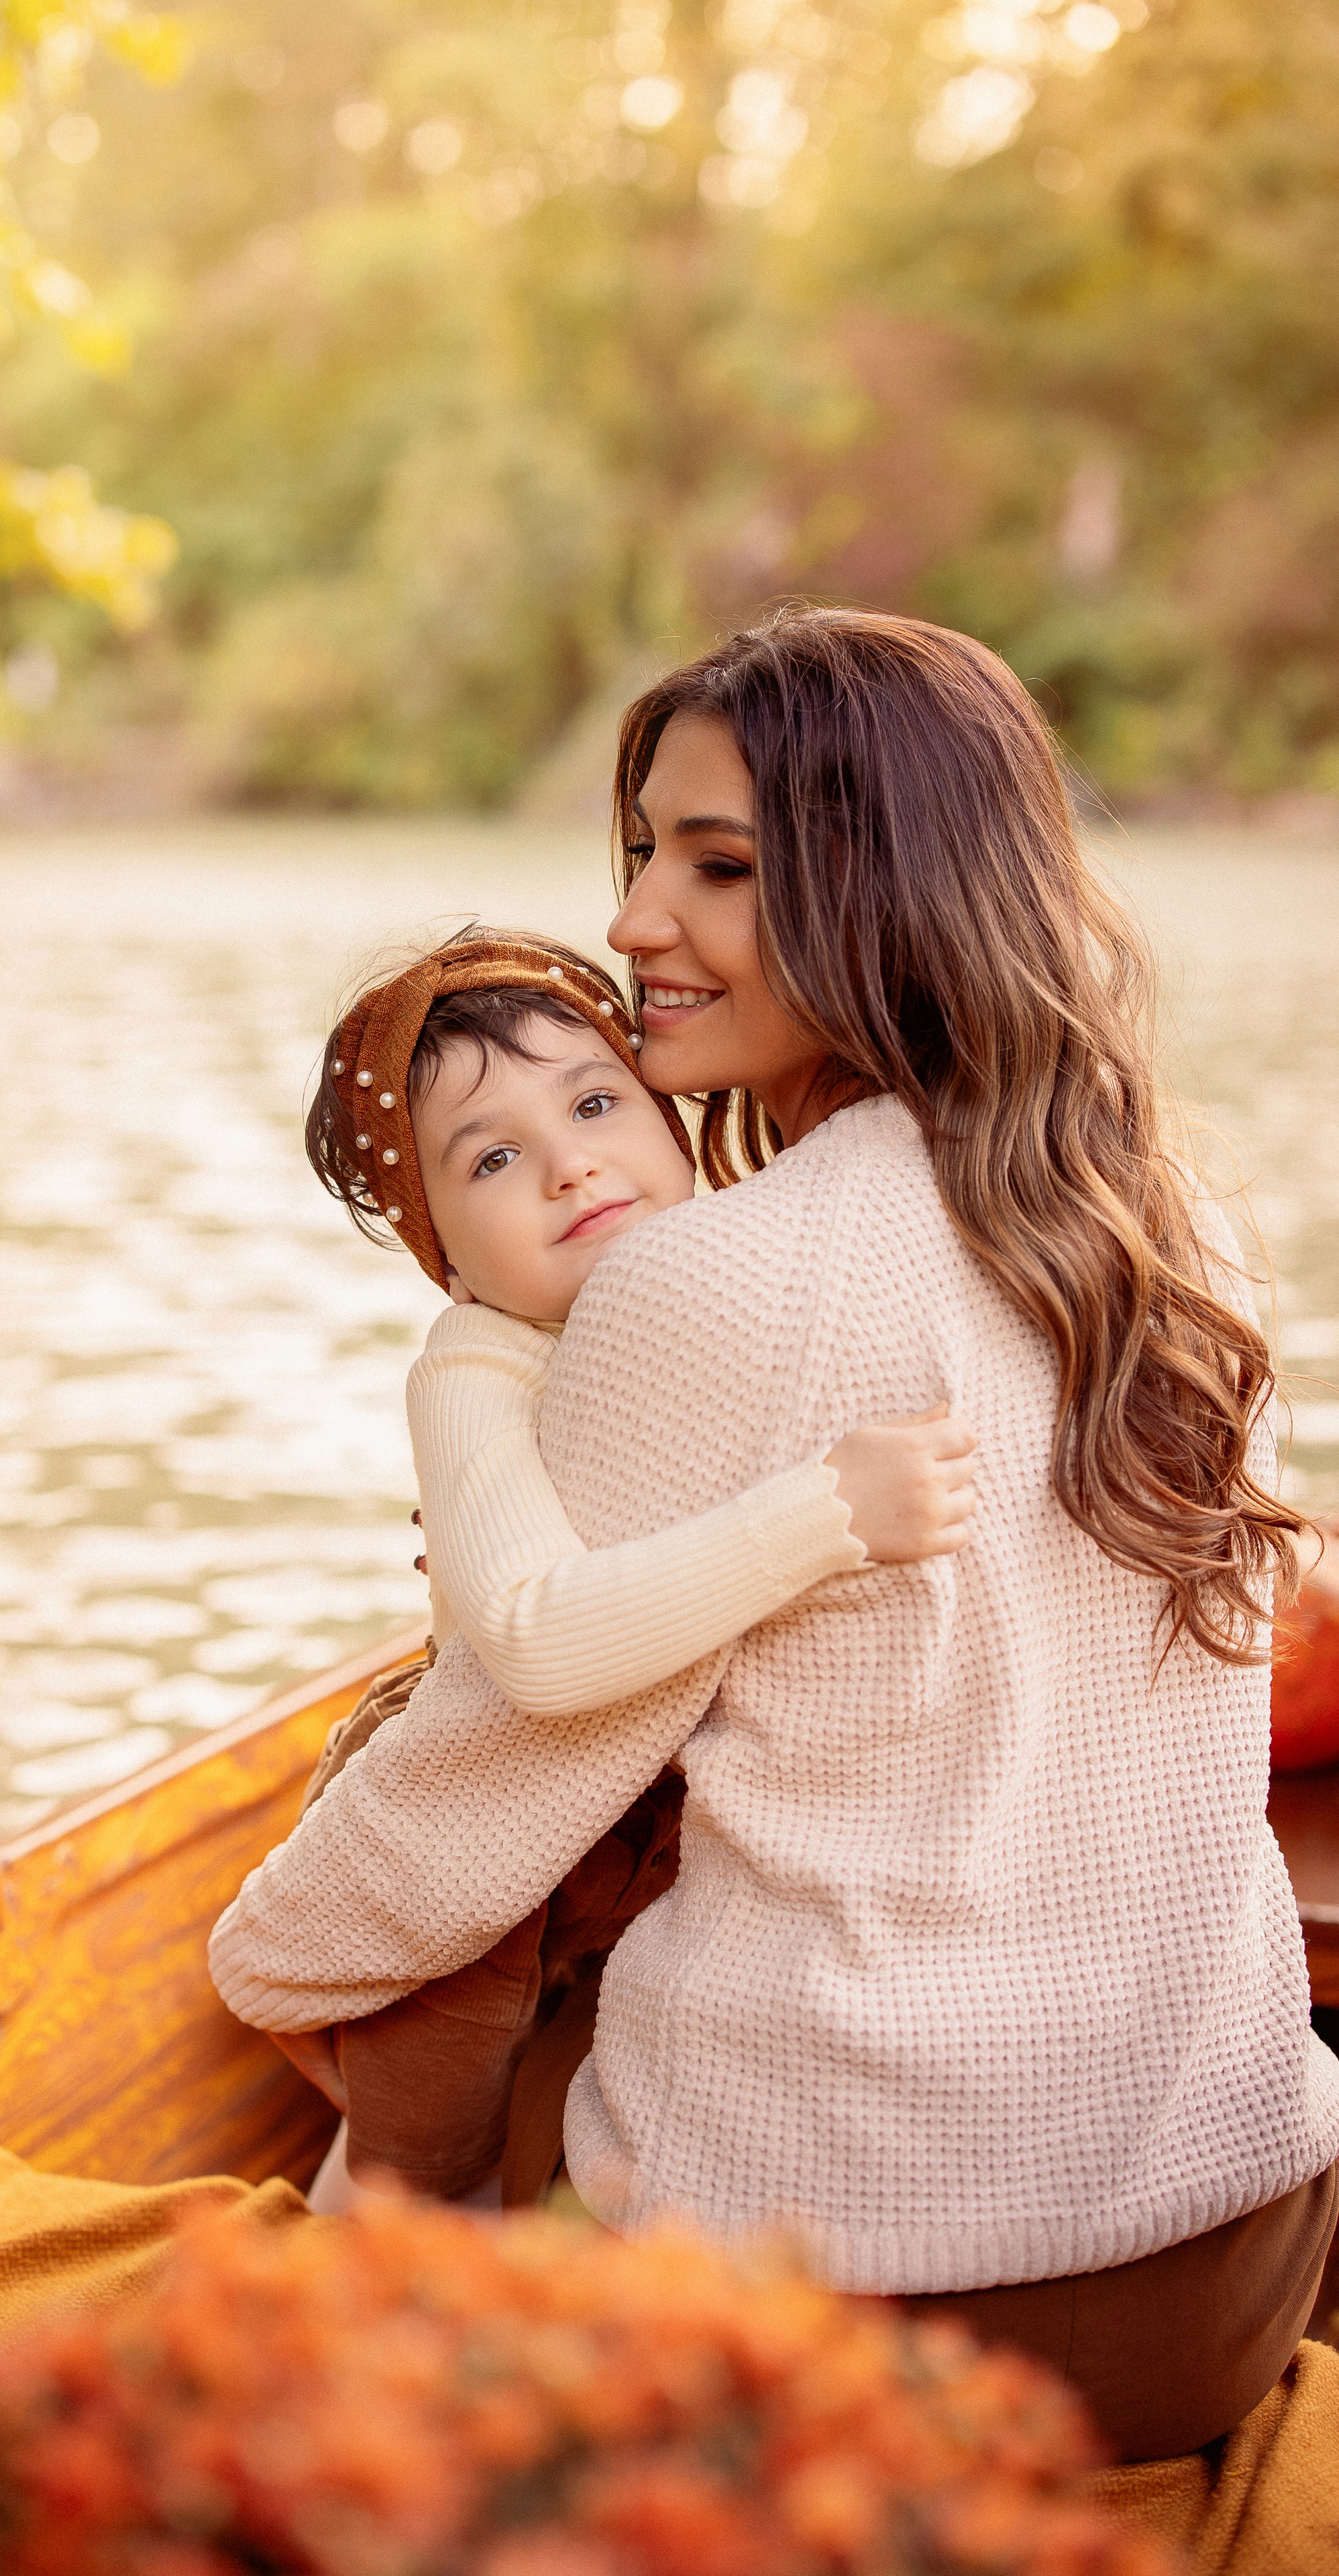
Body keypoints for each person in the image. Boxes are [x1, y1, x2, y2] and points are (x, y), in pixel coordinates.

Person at [211, 606, 1339, 2462]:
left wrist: (258, 1968)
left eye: (716, 868)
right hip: (1225, 2268)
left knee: (459, 1991)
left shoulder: (719, 1281)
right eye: (641, 852)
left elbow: (475, 1800)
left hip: (877, 2322)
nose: (639, 922)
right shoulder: (1169, 1216)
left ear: (889, 890)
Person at [281, 928, 977, 2209]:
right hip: (508, 1787)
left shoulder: (756, 1264)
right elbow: (537, 1641)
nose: (569, 1165)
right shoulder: (477, 1367)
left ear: (670, 1120)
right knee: (430, 2107)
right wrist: (829, 1513)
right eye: (493, 1158)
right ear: (440, 1244)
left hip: (687, 1792)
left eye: (597, 1103)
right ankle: (379, 2246)